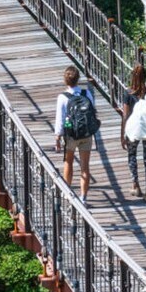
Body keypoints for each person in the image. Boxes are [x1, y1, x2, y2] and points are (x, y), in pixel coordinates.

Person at [119, 64, 146, 202]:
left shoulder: (129, 94)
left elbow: (125, 115)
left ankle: (136, 186)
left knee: (132, 155)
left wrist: (122, 135)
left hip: (134, 130)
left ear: (132, 77)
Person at [54, 66, 98, 200]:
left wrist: (58, 137)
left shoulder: (63, 97)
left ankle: (67, 194)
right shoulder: (86, 94)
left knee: (68, 162)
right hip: (86, 134)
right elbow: (93, 111)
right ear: (78, 79)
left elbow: (60, 119)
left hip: (71, 134)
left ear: (65, 80)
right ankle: (83, 197)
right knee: (85, 166)